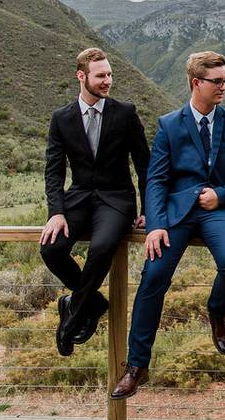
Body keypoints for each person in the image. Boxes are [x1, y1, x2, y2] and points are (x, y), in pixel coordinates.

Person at [112, 51, 225, 399]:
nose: (224, 86)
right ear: (196, 83)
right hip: (175, 213)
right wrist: (156, 225)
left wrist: (220, 195)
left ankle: (217, 310)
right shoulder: (169, 124)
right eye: (217, 81)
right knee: (154, 277)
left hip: (218, 210)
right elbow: (157, 179)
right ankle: (136, 366)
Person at [40, 48, 149, 357]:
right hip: (78, 199)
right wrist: (56, 212)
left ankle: (72, 318)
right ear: (81, 76)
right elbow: (54, 169)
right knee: (51, 249)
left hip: (116, 200)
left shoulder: (125, 113)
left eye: (110, 75)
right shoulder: (61, 118)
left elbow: (145, 166)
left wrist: (147, 211)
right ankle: (93, 302)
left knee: (101, 249)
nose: (107, 81)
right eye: (101, 76)